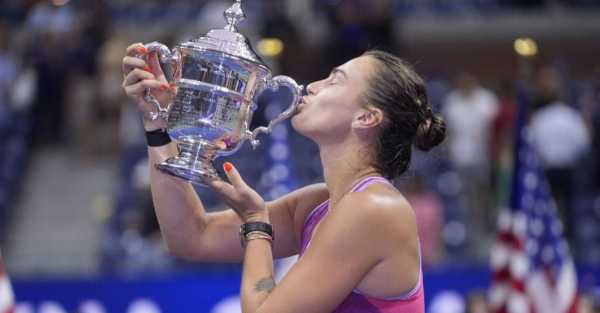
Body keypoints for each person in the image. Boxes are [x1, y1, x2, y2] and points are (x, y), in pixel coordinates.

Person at [122, 44, 446, 312]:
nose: (312, 86)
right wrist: (158, 122)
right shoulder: (319, 204)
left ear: (367, 117)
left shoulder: (375, 208)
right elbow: (190, 237)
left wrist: (256, 222)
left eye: (335, 81)